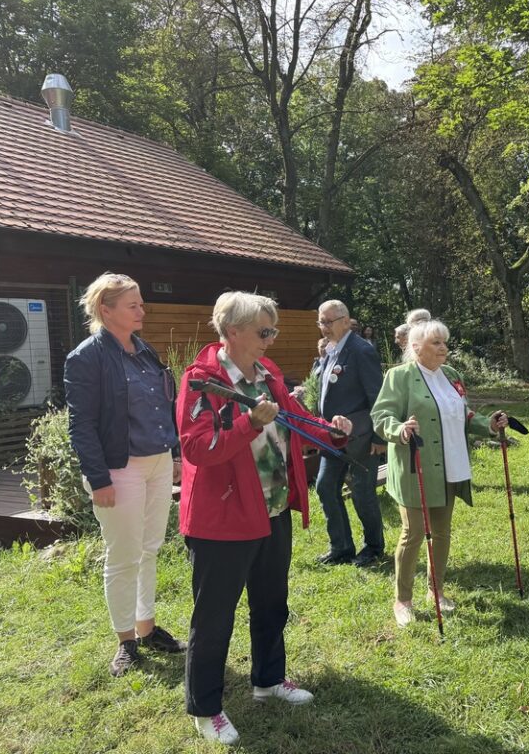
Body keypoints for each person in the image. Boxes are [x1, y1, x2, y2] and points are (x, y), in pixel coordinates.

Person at [177, 291, 353, 744]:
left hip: (272, 510)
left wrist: (331, 431)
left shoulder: (267, 374)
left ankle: (268, 680)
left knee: (272, 603)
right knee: (214, 617)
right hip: (222, 520)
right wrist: (248, 424)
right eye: (264, 331)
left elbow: (294, 417)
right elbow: (196, 449)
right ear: (232, 332)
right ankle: (206, 708)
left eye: (273, 330)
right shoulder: (201, 380)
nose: (270, 340)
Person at [64, 272, 185, 677]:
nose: (142, 310)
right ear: (106, 310)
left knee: (149, 549)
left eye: (141, 303)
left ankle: (147, 628)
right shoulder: (86, 357)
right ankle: (125, 642)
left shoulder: (145, 350)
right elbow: (81, 424)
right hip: (119, 469)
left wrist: (175, 452)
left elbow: (164, 405)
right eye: (132, 305)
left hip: (156, 462)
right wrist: (98, 478)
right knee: (123, 556)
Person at [371, 317, 508, 627]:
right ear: (416, 347)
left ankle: (438, 590)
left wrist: (488, 424)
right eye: (437, 342)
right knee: (415, 532)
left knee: (442, 533)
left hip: (450, 465)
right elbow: (381, 416)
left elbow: (463, 413)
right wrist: (400, 429)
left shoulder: (451, 375)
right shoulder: (399, 376)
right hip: (414, 467)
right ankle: (403, 600)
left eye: (445, 341)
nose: (444, 347)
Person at [313, 300, 386, 567]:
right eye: (321, 322)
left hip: (361, 437)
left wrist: (379, 438)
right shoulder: (331, 350)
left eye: (328, 322)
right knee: (324, 486)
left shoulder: (360, 350)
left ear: (346, 320)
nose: (324, 328)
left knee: (363, 492)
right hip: (331, 436)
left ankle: (374, 547)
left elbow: (377, 396)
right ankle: (341, 547)